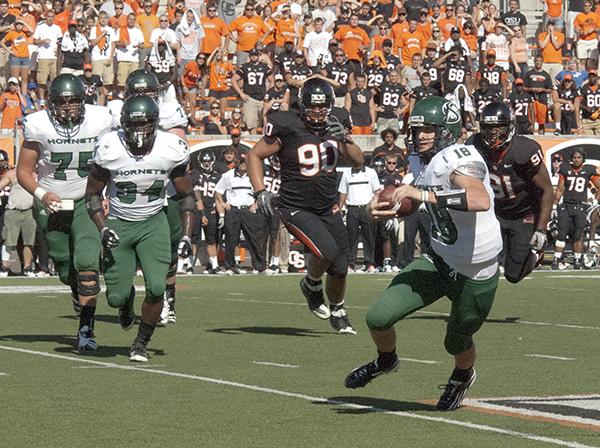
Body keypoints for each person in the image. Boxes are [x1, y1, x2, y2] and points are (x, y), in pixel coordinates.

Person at [344, 96, 503, 411]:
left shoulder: (460, 157)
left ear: (447, 128)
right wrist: (384, 205)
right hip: (440, 259)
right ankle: (386, 360)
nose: (420, 136)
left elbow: (479, 198)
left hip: (476, 271)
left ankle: (463, 374)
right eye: (416, 130)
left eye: (428, 129)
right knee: (378, 318)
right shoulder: (422, 160)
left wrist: (421, 194)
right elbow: (416, 198)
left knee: (456, 342)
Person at [247, 77, 363, 334]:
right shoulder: (287, 124)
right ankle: (311, 284)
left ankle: (338, 308)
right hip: (295, 206)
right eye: (313, 106)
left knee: (341, 267)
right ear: (303, 105)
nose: (319, 112)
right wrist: (260, 191)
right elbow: (254, 154)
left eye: (323, 107)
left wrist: (344, 138)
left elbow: (357, 161)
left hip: (328, 206)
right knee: (325, 251)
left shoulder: (337, 121)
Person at [86, 95, 194, 362]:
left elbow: (187, 196)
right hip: (119, 225)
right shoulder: (109, 147)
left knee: (157, 288)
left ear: (155, 124)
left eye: (146, 124)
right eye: (134, 125)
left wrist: (187, 235)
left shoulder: (170, 148)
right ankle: (126, 301)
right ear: (123, 125)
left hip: (153, 223)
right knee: (115, 297)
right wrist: (102, 227)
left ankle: (141, 342)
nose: (140, 132)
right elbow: (91, 196)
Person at [17, 74, 113, 351]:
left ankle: (86, 328)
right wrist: (42, 194)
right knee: (64, 268)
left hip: (86, 202)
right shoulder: (39, 125)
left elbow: (111, 161)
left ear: (84, 101)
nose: (69, 107)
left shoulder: (101, 120)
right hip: (52, 203)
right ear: (51, 103)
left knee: (87, 263)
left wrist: (105, 195)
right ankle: (77, 293)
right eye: (62, 102)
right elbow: (23, 171)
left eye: (74, 101)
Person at [468, 102, 553, 283]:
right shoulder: (474, 145)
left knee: (513, 275)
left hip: (523, 215)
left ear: (510, 126)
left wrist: (541, 230)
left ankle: (537, 256)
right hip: (494, 213)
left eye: (498, 127)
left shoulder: (524, 150)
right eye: (489, 127)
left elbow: (547, 189)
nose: (493, 132)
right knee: (475, 261)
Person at [214, 150, 267, 275]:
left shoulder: (254, 175)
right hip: (233, 211)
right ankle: (230, 267)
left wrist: (256, 204)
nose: (243, 164)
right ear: (237, 162)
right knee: (231, 240)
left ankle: (259, 267)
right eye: (241, 162)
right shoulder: (227, 175)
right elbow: (218, 191)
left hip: (248, 210)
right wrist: (222, 203)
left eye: (245, 162)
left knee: (254, 239)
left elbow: (261, 192)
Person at [551, 149, 600, 270]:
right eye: (574, 157)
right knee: (561, 234)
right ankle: (557, 259)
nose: (576, 159)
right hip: (566, 206)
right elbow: (560, 189)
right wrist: (554, 204)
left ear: (583, 158)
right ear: (571, 158)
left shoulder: (589, 170)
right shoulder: (565, 169)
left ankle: (577, 259)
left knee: (578, 235)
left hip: (580, 206)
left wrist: (595, 200)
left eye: (579, 157)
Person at [338, 163, 381, 273]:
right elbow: (343, 192)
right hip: (352, 208)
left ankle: (370, 263)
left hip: (367, 208)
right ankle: (351, 264)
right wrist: (340, 207)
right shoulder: (346, 173)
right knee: (351, 238)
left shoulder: (371, 172)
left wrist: (373, 206)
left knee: (369, 236)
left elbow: (377, 191)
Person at [191, 149, 223, 274]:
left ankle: (214, 265)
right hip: (197, 210)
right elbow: (195, 193)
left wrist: (221, 214)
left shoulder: (217, 176)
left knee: (211, 239)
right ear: (200, 162)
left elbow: (219, 195)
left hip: (211, 210)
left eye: (208, 160)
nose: (206, 163)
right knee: (194, 239)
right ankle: (189, 264)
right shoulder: (195, 174)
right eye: (204, 161)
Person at [232, 48, 273, 134]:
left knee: (265, 123)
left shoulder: (264, 66)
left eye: (255, 55)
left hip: (262, 99)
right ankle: (254, 143)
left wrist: (268, 93)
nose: (254, 57)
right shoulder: (245, 67)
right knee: (251, 125)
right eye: (252, 55)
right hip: (250, 98)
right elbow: (234, 80)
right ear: (249, 56)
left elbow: (272, 80)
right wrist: (241, 94)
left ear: (258, 56)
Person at [523, 55, 553, 134]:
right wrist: (532, 89)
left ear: (542, 62)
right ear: (534, 62)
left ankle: (541, 137)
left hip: (542, 100)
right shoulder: (529, 74)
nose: (538, 63)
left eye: (540, 61)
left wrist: (543, 90)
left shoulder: (546, 75)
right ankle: (531, 136)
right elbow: (523, 87)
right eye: (537, 61)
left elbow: (550, 89)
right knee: (531, 121)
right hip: (531, 100)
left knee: (541, 122)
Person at [574, 69, 600, 135]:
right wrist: (587, 108)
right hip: (586, 120)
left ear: (597, 77)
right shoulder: (584, 88)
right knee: (588, 141)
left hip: (598, 120)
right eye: (590, 76)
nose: (592, 78)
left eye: (593, 76)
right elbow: (578, 103)